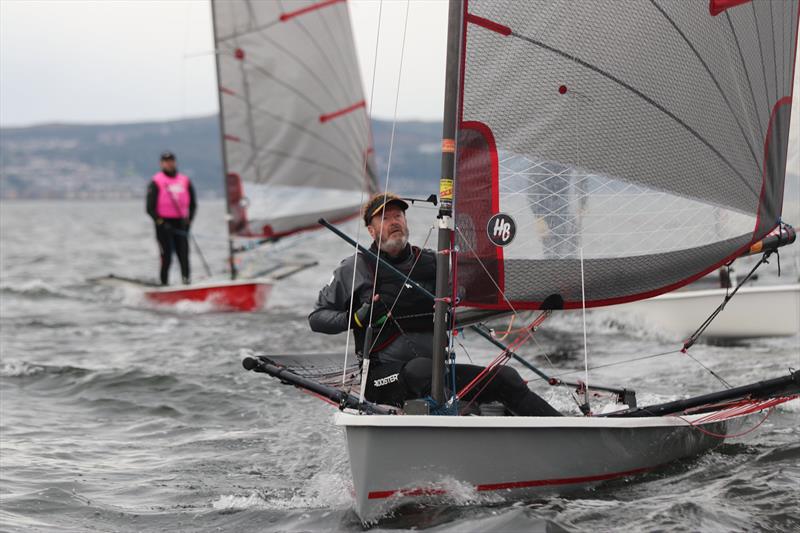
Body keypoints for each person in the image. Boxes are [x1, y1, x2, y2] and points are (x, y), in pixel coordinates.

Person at [309, 192, 562, 416]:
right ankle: (461, 420)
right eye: (385, 218)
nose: (394, 221)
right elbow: (317, 318)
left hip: (438, 373)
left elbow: (476, 290)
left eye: (398, 216)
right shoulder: (356, 267)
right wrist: (356, 318)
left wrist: (541, 290)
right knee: (422, 371)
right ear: (371, 231)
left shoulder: (434, 264)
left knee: (506, 378)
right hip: (381, 379)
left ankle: (565, 430)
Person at [146, 151, 197, 285]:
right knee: (166, 257)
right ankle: (164, 284)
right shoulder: (156, 181)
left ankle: (186, 282)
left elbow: (193, 204)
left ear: (175, 162)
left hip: (181, 223)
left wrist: (189, 221)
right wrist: (161, 222)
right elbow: (149, 208)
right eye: (166, 161)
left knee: (184, 255)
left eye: (171, 161)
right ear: (161, 164)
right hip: (163, 225)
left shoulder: (184, 180)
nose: (169, 163)